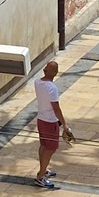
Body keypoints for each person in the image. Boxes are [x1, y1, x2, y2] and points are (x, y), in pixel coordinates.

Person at [33, 58, 73, 188]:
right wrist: (65, 124)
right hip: (50, 121)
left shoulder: (37, 82)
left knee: (43, 145)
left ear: (45, 70)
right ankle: (40, 176)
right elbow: (56, 108)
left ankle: (43, 170)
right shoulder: (52, 88)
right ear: (55, 73)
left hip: (41, 119)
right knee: (51, 148)